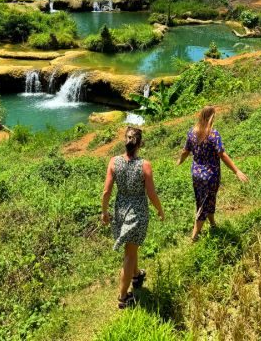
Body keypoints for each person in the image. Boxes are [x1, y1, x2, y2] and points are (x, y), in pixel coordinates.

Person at [101, 127, 164, 309]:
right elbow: (151, 194)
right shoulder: (144, 165)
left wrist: (104, 212)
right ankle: (122, 298)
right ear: (140, 143)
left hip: (120, 210)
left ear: (125, 141)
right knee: (129, 252)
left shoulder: (114, 162)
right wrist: (160, 210)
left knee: (131, 247)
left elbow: (106, 191)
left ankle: (136, 276)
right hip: (137, 212)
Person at [177, 106, 248, 241]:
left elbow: (185, 151)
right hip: (211, 176)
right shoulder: (213, 134)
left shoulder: (192, 132)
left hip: (196, 175)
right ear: (211, 118)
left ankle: (212, 224)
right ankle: (194, 236)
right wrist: (237, 171)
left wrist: (179, 161)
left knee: (205, 201)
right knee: (204, 205)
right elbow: (222, 154)